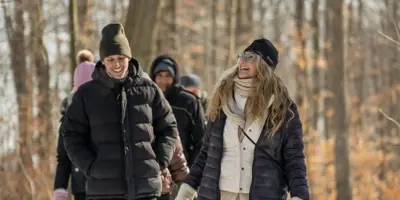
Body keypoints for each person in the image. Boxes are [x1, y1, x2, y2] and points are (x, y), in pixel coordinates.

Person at [175, 38, 310, 200]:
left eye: (250, 58)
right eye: (242, 56)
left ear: (264, 66)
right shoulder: (222, 99)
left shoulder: (282, 108)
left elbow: (294, 159)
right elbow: (206, 153)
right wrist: (189, 187)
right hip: (217, 194)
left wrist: (299, 195)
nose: (243, 62)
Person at [60, 23, 178, 200]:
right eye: (110, 59)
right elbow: (70, 133)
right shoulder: (86, 94)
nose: (117, 64)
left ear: (129, 58)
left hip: (145, 190)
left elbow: (168, 127)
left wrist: (158, 162)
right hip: (103, 190)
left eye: (121, 58)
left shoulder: (149, 89)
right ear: (103, 61)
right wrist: (91, 166)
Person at [149, 56, 206, 199]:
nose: (163, 80)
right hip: (151, 174)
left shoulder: (189, 102)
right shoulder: (145, 99)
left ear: (174, 77)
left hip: (181, 175)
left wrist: (191, 171)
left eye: (168, 76)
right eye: (159, 75)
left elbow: (202, 141)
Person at [53, 49, 95, 200]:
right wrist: (60, 189)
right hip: (81, 188)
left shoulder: (106, 112)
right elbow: (63, 158)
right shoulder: (69, 118)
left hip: (108, 186)